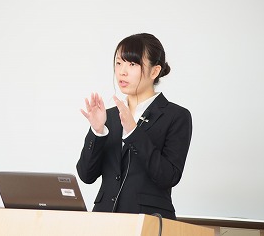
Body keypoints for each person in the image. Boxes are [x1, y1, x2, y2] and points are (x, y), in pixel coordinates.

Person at [76, 33, 192, 220]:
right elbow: (86, 175)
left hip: (150, 221)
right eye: (119, 63)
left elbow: (168, 176)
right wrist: (98, 132)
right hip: (102, 222)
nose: (122, 71)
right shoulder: (109, 116)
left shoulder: (176, 116)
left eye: (132, 64)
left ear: (154, 72)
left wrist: (134, 132)